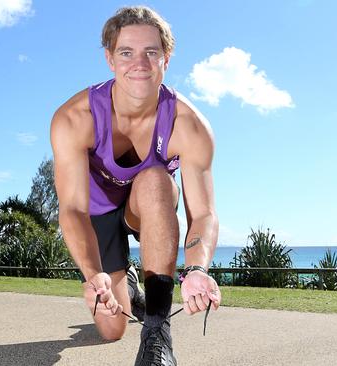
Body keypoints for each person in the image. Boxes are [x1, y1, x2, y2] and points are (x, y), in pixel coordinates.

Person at [50, 6, 221, 365]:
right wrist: (93, 274)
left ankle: (157, 332)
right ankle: (125, 280)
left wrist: (197, 268)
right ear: (110, 59)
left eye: (151, 52)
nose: (139, 63)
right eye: (126, 52)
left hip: (145, 206)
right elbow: (73, 209)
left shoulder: (189, 125)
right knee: (112, 329)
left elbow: (203, 212)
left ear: (166, 59)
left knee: (157, 179)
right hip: (96, 211)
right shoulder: (74, 118)